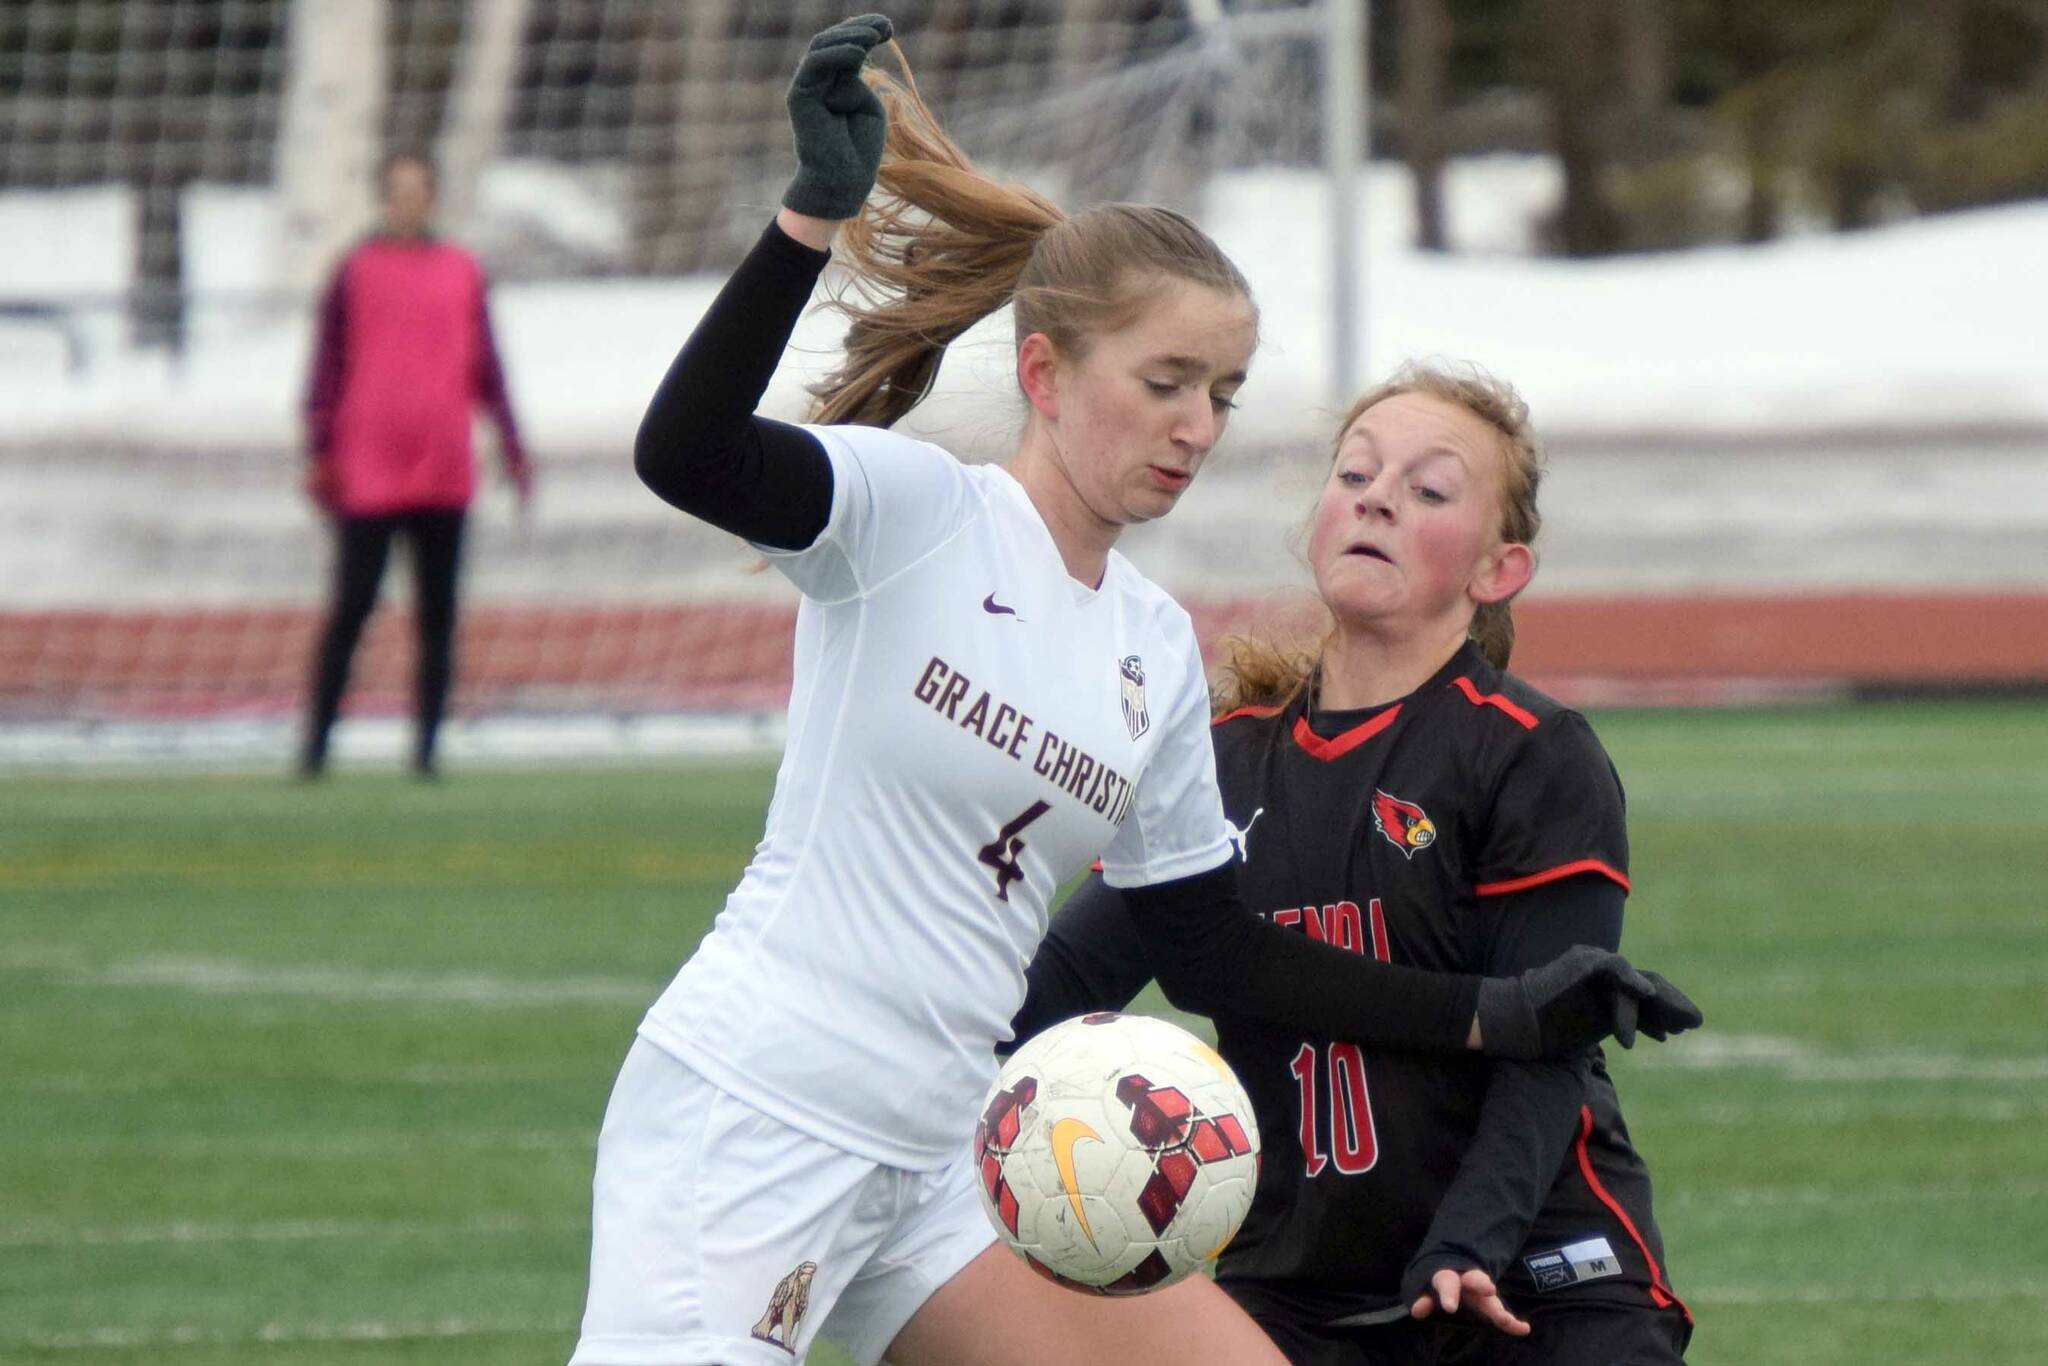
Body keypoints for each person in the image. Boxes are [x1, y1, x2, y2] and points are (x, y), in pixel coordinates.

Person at [570, 17, 1697, 1366]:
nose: (1198, 427)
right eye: (1166, 382)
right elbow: (683, 448)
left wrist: (1496, 1013)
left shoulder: (1156, 648)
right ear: (1046, 375)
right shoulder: (916, 513)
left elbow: (1213, 948)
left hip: (939, 1152)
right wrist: (811, 217)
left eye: (1220, 392)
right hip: (765, 1102)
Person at [1010, 362, 1695, 1364]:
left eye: (1427, 489)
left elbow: (1547, 1046)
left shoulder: (1526, 752)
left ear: (1495, 570)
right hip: (1293, 1290)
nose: (1375, 496)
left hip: (1532, 1274)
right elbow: (1054, 993)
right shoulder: (1215, 756)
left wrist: (1470, 1245)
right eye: (1355, 475)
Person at [297, 151, 532, 780]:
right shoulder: (354, 270)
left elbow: (488, 367)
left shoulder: (461, 270)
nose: (406, 201)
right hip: (369, 468)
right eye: (395, 190)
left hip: (444, 468)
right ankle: (315, 749)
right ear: (382, 197)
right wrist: (319, 450)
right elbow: (326, 367)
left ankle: (426, 754)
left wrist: (512, 448)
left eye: (417, 190)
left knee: (438, 616)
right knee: (351, 608)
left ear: (431, 197)